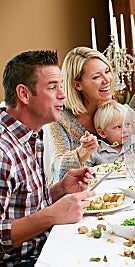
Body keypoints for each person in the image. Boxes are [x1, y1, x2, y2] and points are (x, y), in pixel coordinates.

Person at [0, 50, 95, 267]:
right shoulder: (3, 151)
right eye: (52, 87)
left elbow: (20, 206)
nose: (62, 94)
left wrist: (59, 190)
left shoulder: (32, 134)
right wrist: (52, 216)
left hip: (48, 247)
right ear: (23, 94)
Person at [45, 47, 135, 184]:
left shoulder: (127, 114)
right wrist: (80, 153)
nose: (107, 80)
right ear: (78, 85)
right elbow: (57, 171)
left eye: (107, 71)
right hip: (76, 196)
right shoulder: (60, 120)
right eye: (96, 77)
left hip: (124, 191)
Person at [85, 100, 135, 166]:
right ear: (102, 133)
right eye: (118, 127)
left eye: (127, 124)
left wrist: (134, 156)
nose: (125, 130)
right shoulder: (97, 150)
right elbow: (83, 167)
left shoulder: (133, 142)